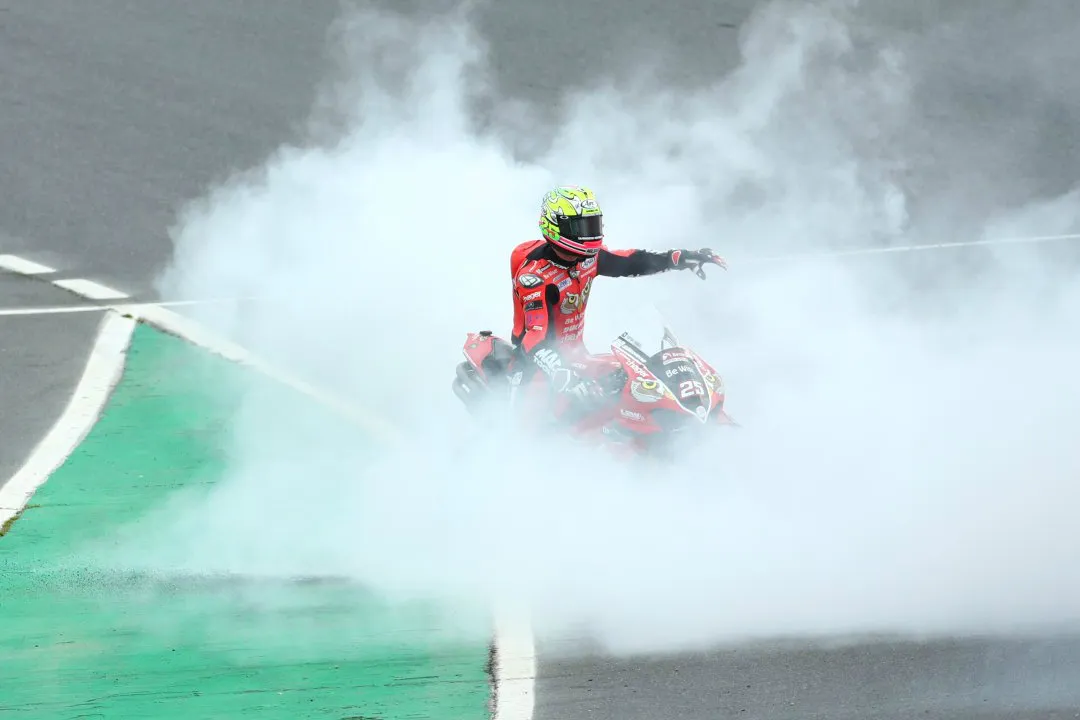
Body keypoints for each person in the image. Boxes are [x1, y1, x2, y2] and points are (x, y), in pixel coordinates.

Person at [509, 185, 726, 422]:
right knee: (530, 431)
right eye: (580, 227)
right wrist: (562, 372)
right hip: (536, 367)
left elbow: (632, 261)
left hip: (577, 356)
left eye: (592, 225)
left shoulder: (589, 259)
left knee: (632, 389)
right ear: (556, 225)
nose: (589, 235)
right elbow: (535, 338)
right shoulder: (534, 276)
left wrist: (679, 258)